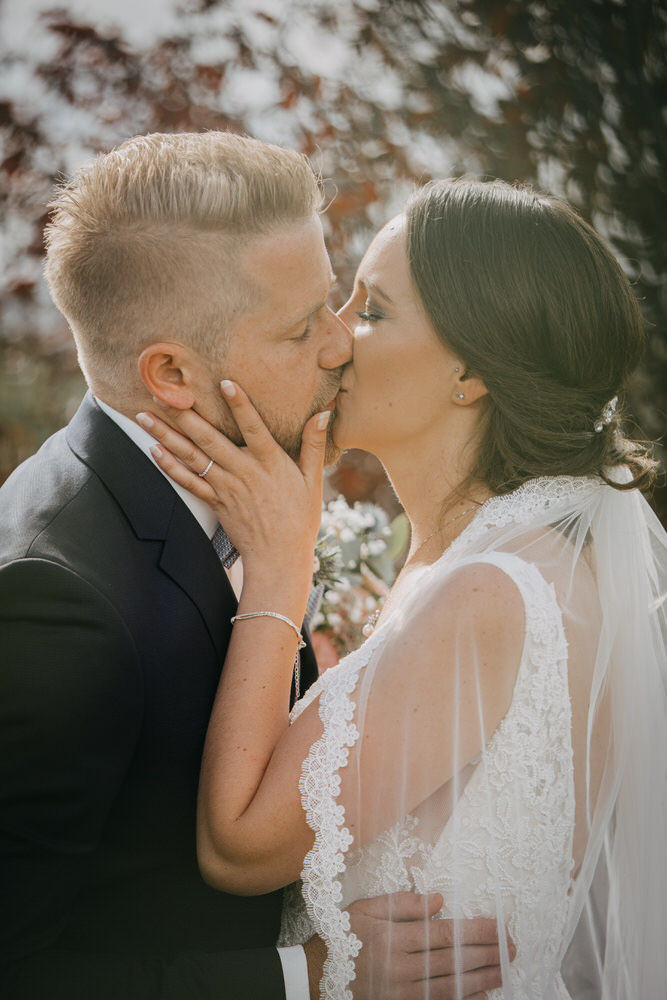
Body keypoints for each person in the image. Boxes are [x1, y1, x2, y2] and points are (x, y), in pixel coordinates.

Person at [0, 133, 506, 1000]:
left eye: (335, 305)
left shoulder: (236, 494)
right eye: (300, 325)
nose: (340, 343)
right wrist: (302, 977)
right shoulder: (55, 604)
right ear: (172, 374)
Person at [145, 177, 667, 998]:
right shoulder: (493, 560)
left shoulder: (488, 593)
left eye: (372, 311)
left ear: (471, 370)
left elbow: (238, 847)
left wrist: (280, 566)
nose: (336, 340)